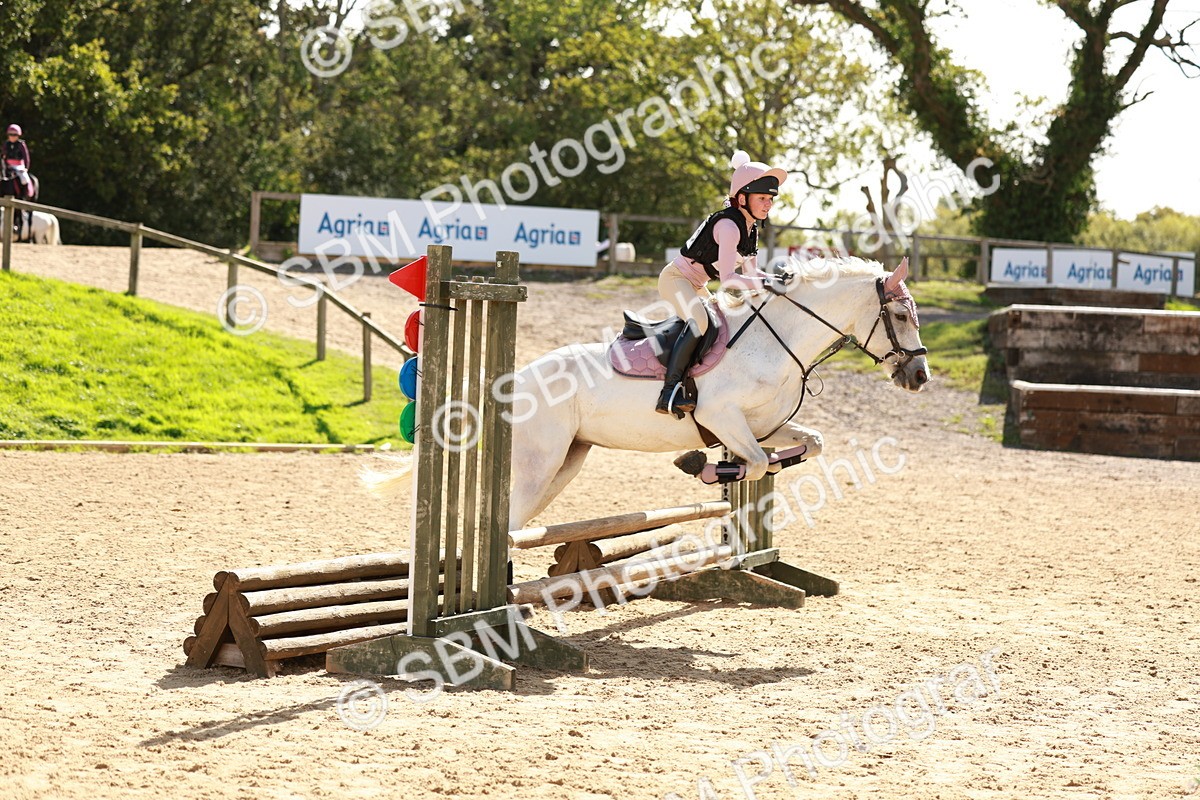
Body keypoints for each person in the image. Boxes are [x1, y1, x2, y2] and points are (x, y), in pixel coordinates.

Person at [655, 150, 788, 417]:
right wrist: (767, 284)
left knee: (725, 324)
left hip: (695, 284)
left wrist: (779, 282)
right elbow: (729, 280)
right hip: (676, 280)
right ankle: (668, 392)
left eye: (771, 199)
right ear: (742, 198)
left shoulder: (751, 230)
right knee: (701, 323)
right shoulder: (729, 226)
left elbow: (752, 273)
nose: (768, 204)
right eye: (762, 198)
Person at [3, 124, 34, 199]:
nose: (12, 136)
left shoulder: (21, 144)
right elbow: (3, 155)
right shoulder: (6, 144)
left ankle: (24, 195)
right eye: (11, 134)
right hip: (7, 165)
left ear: (18, 135)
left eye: (15, 135)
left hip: (19, 166)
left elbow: (26, 157)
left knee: (24, 179)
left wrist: (26, 167)